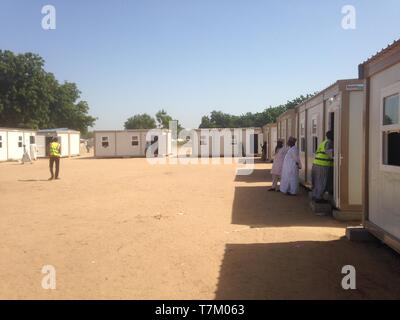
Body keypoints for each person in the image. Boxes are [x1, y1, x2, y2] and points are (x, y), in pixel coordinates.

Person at [311, 130, 334, 203]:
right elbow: (330, 154)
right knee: (321, 181)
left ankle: (315, 195)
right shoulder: (329, 143)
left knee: (317, 181)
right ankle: (319, 198)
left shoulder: (324, 142)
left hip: (316, 163)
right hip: (322, 165)